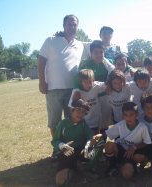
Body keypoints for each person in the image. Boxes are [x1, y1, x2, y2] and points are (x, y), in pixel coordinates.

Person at [37, 15, 83, 157]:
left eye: (75, 24)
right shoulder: (51, 40)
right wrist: (41, 81)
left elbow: (98, 49)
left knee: (73, 120)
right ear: (63, 25)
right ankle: (57, 148)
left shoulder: (80, 45)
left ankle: (70, 147)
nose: (72, 27)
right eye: (69, 24)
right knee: (55, 121)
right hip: (53, 88)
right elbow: (41, 61)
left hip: (73, 89)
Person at [51, 99, 105, 186]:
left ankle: (87, 168)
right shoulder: (63, 124)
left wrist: (89, 143)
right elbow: (55, 141)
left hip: (81, 151)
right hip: (66, 152)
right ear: (72, 110)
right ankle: (74, 167)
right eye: (78, 110)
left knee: (100, 141)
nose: (81, 114)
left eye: (83, 112)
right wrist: (62, 146)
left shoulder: (83, 123)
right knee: (60, 182)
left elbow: (90, 136)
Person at [104, 102, 152, 180]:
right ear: (123, 116)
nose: (128, 118)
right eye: (125, 115)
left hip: (132, 154)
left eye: (131, 115)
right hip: (120, 149)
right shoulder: (121, 124)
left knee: (127, 174)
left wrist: (134, 146)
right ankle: (113, 165)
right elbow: (107, 134)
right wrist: (97, 137)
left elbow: (147, 142)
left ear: (136, 115)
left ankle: (125, 166)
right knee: (109, 145)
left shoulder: (142, 127)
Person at [79, 40, 115, 131]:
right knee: (92, 123)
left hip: (105, 96)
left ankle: (103, 141)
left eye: (101, 52)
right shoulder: (85, 65)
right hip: (91, 98)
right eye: (96, 52)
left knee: (105, 123)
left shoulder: (107, 62)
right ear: (90, 53)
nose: (99, 55)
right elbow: (79, 82)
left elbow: (116, 71)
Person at [68, 69, 106, 134]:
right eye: (85, 82)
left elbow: (108, 85)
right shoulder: (77, 91)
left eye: (90, 81)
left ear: (93, 80)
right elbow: (71, 106)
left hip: (97, 120)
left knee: (98, 139)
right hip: (85, 122)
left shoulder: (96, 85)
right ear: (80, 82)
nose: (89, 84)